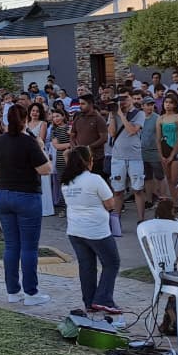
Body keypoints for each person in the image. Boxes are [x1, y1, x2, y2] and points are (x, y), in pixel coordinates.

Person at [0, 102, 54, 304]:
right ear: (26, 120)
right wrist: (41, 147)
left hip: (3, 194)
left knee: (11, 245)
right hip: (27, 196)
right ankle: (31, 293)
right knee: (29, 247)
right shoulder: (29, 142)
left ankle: (13, 291)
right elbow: (46, 169)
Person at [60, 146, 121, 314]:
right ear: (88, 161)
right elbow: (110, 204)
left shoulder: (66, 182)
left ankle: (89, 301)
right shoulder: (95, 179)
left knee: (87, 266)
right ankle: (103, 299)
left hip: (75, 230)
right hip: (96, 230)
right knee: (111, 262)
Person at [107, 91, 146, 223]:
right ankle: (116, 221)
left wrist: (121, 115)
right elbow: (112, 133)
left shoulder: (139, 114)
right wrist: (113, 115)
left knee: (138, 189)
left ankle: (141, 220)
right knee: (118, 191)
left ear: (131, 99)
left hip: (135, 157)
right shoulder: (114, 113)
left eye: (125, 98)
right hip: (118, 158)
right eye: (121, 98)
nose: (122, 101)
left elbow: (132, 130)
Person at [70, 95, 109, 180]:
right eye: (79, 104)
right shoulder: (78, 118)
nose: (80, 106)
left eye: (83, 104)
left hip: (96, 158)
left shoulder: (99, 119)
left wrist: (89, 147)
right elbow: (72, 135)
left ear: (90, 104)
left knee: (97, 182)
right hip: (80, 158)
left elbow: (104, 138)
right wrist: (75, 147)